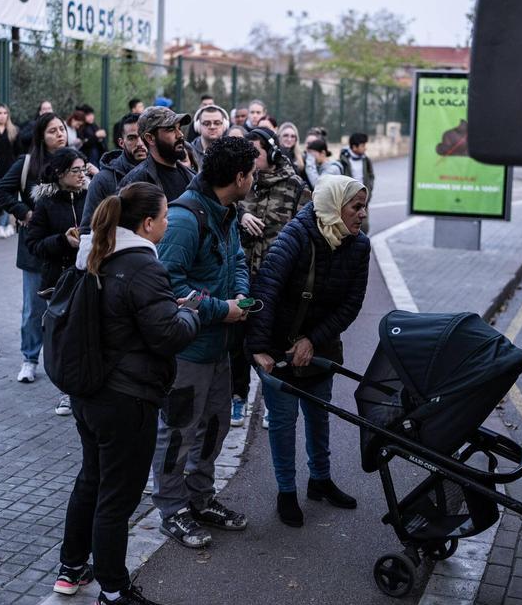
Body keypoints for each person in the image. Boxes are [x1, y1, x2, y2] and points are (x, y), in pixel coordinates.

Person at [54, 182, 198, 605]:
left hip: (88, 392)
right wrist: (188, 312)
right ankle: (114, 592)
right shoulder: (142, 267)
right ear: (148, 223)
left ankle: (71, 568)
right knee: (116, 497)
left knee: (92, 480)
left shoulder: (94, 254)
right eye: (166, 216)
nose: (169, 223)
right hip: (126, 398)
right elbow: (167, 334)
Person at [249, 174, 370, 527]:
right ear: (334, 205)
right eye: (356, 206)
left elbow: (351, 303)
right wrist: (259, 348)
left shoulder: (358, 245)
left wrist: (313, 339)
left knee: (319, 415)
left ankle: (320, 479)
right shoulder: (295, 237)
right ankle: (286, 491)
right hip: (279, 346)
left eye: (364, 206)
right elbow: (266, 291)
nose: (362, 214)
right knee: (284, 423)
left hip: (320, 344)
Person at [152, 135, 254, 548]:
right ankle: (171, 509)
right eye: (253, 174)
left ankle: (201, 498)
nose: (255, 180)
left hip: (220, 348)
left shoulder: (227, 212)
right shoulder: (183, 218)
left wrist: (241, 298)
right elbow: (169, 285)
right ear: (238, 176)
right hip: (189, 350)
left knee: (213, 427)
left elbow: (239, 260)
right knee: (178, 432)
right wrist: (221, 309)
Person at [231, 127, 311, 427]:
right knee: (238, 344)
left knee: (272, 343)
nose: (251, 160)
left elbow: (306, 234)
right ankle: (238, 398)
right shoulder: (240, 183)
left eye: (257, 153)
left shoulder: (295, 186)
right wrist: (242, 215)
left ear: (273, 152)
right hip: (241, 277)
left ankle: (271, 400)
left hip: (276, 282)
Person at [0, 113, 69, 384]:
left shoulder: (76, 162)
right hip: (35, 249)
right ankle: (29, 358)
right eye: (52, 130)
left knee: (66, 308)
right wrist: (24, 213)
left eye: (62, 129)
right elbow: (1, 191)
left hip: (67, 248)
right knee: (34, 308)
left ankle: (62, 362)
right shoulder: (27, 164)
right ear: (41, 136)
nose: (60, 134)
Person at [25, 147, 90, 416]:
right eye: (75, 170)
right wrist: (63, 241)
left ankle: (86, 386)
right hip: (60, 281)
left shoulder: (90, 196)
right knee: (65, 338)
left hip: (89, 276)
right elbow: (33, 244)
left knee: (87, 335)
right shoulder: (46, 203)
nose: (81, 175)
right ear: (60, 173)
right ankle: (66, 392)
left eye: (83, 170)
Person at [82, 113, 146, 230]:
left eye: (143, 136)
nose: (140, 143)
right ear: (121, 142)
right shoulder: (103, 180)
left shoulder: (161, 171)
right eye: (132, 138)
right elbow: (88, 229)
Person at [118, 107, 196, 203]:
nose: (180, 134)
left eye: (179, 128)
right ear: (150, 138)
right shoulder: (136, 183)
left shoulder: (191, 176)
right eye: (170, 129)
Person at [0, 104, 20, 239]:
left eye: (5, 113)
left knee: (11, 197)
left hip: (11, 168)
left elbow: (18, 151)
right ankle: (1, 225)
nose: (2, 116)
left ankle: (8, 224)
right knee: (0, 196)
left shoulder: (14, 130)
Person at [340, 132, 375, 232]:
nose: (365, 148)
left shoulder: (366, 160)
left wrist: (369, 191)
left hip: (363, 199)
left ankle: (362, 246)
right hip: (348, 200)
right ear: (354, 147)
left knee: (364, 226)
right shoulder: (343, 161)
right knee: (348, 227)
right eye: (363, 145)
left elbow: (371, 176)